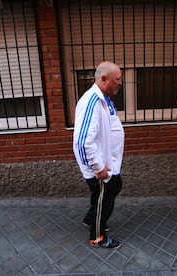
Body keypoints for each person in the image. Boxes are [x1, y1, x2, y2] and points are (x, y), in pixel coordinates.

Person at [73, 61, 124, 249]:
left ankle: (90, 219)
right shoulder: (92, 101)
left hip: (108, 164)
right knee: (105, 200)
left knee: (111, 190)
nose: (120, 83)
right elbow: (82, 140)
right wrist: (98, 167)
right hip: (101, 167)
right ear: (104, 79)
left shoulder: (104, 98)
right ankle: (97, 237)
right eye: (117, 79)